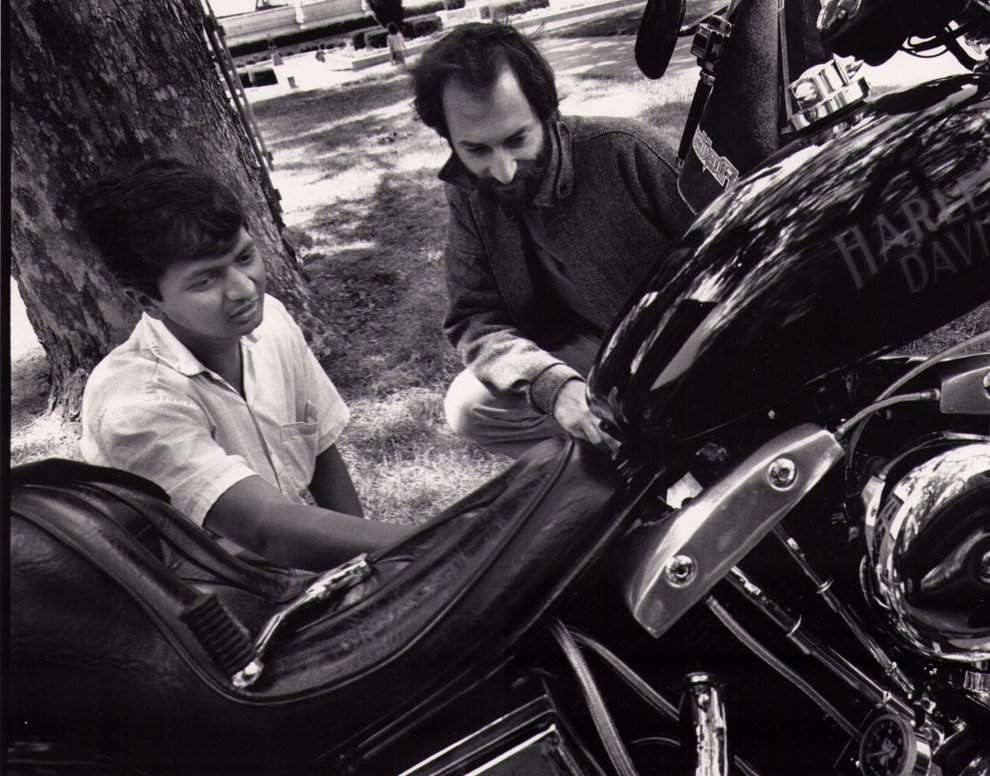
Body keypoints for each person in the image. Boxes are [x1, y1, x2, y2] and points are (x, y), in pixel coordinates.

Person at [77, 158, 414, 571]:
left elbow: (320, 446)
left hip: (289, 571)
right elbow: (265, 530)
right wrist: (438, 540)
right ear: (147, 302)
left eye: (244, 257)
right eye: (205, 280)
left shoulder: (270, 319)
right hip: (209, 603)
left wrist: (370, 568)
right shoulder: (135, 408)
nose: (243, 289)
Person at [413, 23, 695, 458]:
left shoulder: (626, 150)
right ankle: (624, 467)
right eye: (477, 150)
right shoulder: (467, 194)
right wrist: (552, 383)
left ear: (546, 111)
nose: (503, 170)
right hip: (594, 352)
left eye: (516, 139)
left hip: (685, 342)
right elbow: (474, 318)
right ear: (448, 138)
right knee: (468, 406)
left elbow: (736, 249)